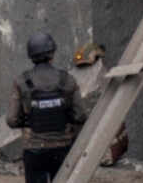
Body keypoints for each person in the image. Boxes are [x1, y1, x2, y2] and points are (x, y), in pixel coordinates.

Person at [8, 32, 86, 183]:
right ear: (52, 54)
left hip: (34, 149)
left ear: (31, 56)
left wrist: (31, 119)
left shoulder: (22, 82)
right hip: (62, 148)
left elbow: (11, 120)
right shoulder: (67, 80)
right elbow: (81, 115)